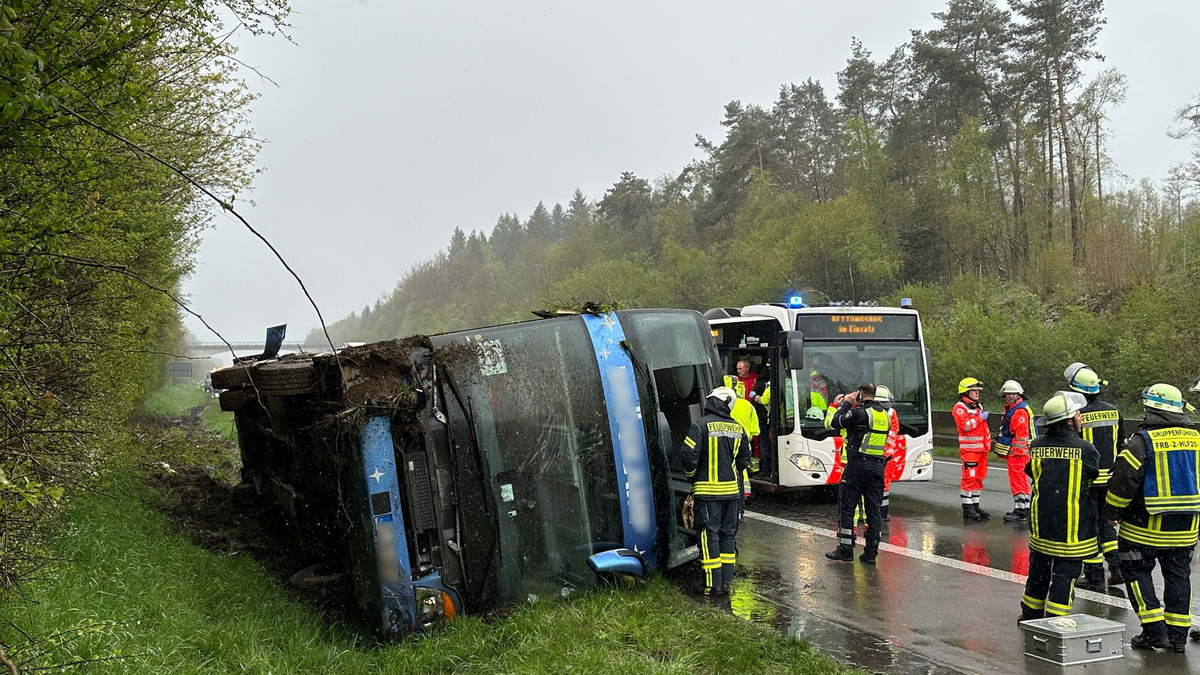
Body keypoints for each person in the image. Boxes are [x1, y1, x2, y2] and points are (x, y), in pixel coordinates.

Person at [1103, 383, 1200, 653]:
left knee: (1136, 573)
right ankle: (1178, 637)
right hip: (1186, 530)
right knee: (1179, 577)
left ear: (1150, 409)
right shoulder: (1197, 439)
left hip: (1142, 529)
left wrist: (1111, 513)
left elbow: (1123, 483)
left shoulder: (1141, 442)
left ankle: (1154, 632)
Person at [1019, 391, 1098, 622]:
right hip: (1071, 530)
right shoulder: (1086, 449)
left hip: (1041, 525)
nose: (1081, 418)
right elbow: (1093, 476)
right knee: (1065, 577)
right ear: (1068, 420)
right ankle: (1056, 621)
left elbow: (1030, 471)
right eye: (1078, 415)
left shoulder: (1037, 445)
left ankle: (1029, 616)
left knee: (1038, 574)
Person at [680, 386, 752, 597]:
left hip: (707, 494)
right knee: (727, 535)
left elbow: (688, 454)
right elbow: (744, 461)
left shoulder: (700, 425)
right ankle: (726, 583)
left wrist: (691, 475)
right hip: (732, 494)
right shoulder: (738, 428)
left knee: (708, 536)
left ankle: (712, 586)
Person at [1064, 362, 1125, 588]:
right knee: (1107, 523)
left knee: (1088, 527)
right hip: (1110, 480)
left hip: (1086, 479)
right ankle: (1117, 568)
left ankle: (1094, 575)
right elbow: (1121, 444)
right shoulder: (1113, 410)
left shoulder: (1074, 415)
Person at [824, 382, 890, 564]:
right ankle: (871, 553)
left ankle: (845, 549)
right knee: (873, 511)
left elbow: (834, 422)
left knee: (847, 507)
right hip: (877, 467)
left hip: (857, 466)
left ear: (860, 394)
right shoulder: (885, 415)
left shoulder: (859, 412)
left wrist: (846, 403)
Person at [993, 380, 1036, 524]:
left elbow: (1022, 435)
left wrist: (1017, 451)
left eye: (1012, 394)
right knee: (1020, 481)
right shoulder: (1016, 408)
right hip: (1019, 453)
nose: (1010, 396)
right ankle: (1023, 508)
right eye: (1008, 394)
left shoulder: (1019, 411)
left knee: (1018, 481)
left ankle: (1021, 511)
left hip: (1019, 454)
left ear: (1019, 394)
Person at [953, 378, 991, 521]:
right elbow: (966, 426)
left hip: (981, 450)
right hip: (970, 451)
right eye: (974, 391)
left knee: (979, 478)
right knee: (969, 478)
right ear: (966, 392)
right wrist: (980, 418)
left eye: (978, 391)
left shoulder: (977, 406)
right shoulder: (960, 407)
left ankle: (975, 505)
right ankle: (967, 507)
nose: (977, 393)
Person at [875, 385, 906, 520]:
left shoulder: (870, 412)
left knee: (872, 485)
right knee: (885, 485)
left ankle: (875, 512)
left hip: (874, 455)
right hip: (887, 456)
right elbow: (894, 430)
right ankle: (883, 513)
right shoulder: (892, 412)